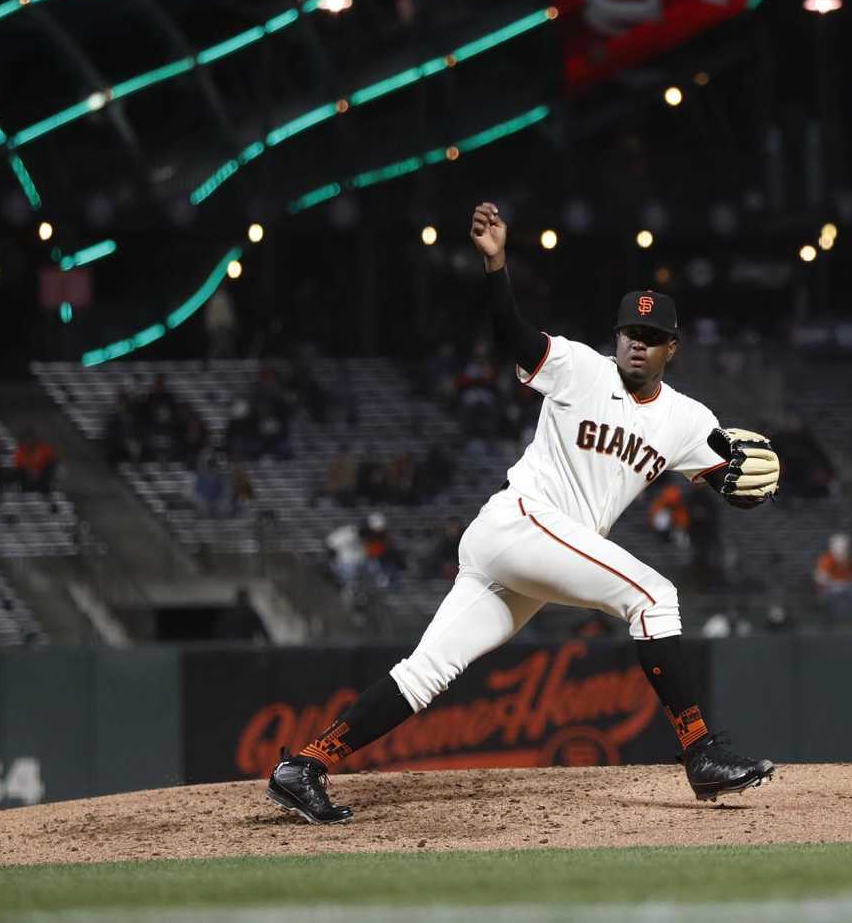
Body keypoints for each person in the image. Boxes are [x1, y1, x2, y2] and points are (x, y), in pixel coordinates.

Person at [266, 201, 779, 825]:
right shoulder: (579, 368)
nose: (636, 346)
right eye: (627, 334)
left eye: (649, 338)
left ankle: (306, 766)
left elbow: (731, 474)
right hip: (521, 521)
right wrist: (496, 266)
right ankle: (701, 752)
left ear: (671, 347)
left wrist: (748, 482)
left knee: (426, 672)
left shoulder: (687, 419)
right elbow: (513, 332)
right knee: (653, 596)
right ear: (614, 337)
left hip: (535, 553)